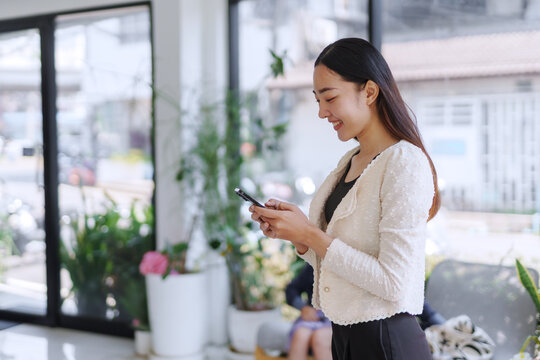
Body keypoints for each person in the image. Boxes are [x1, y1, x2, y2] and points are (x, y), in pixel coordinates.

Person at [249, 37, 441, 360]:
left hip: (387, 342)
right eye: (317, 100)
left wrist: (311, 235)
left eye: (329, 98)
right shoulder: (350, 162)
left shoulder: (404, 163)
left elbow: (393, 282)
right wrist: (298, 237)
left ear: (369, 91)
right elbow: (339, 260)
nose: (322, 112)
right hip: (345, 336)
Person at [285, 264, 332, 360]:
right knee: (300, 335)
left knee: (320, 338)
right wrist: (303, 307)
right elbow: (291, 289)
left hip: (337, 319)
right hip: (314, 315)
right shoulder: (313, 265)